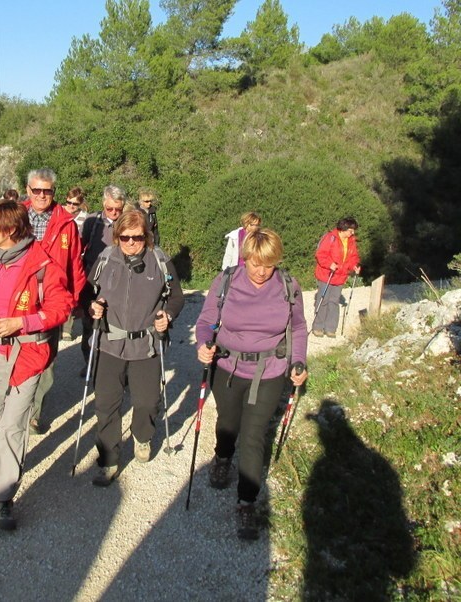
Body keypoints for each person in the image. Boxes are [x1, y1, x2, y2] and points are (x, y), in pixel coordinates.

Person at [0, 200, 73, 531]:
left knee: (13, 425)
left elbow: (61, 308)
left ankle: (5, 496)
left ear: (10, 230)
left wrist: (19, 324)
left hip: (27, 356)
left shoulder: (43, 265)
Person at [195, 228, 308, 540]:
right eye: (255, 263)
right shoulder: (226, 281)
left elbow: (298, 327)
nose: (261, 271)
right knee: (228, 422)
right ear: (245, 258)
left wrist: (298, 361)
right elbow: (205, 322)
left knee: (254, 436)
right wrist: (204, 344)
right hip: (228, 366)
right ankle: (222, 457)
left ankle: (247, 502)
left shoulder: (288, 285)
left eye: (268, 264)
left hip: (270, 370)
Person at [88, 210, 184, 487]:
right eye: (125, 237)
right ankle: (108, 459)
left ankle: (142, 435)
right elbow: (89, 291)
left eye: (137, 237)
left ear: (147, 236)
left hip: (146, 344)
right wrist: (92, 306)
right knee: (106, 403)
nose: (131, 243)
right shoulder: (106, 259)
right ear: (117, 237)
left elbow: (176, 298)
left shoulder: (160, 260)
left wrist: (167, 316)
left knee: (146, 402)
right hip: (111, 342)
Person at [23, 168, 86, 434]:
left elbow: (75, 265)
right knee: (15, 355)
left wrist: (71, 300)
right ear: (28, 190)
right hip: (18, 299)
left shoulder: (66, 224)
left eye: (46, 190)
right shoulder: (15, 217)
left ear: (53, 192)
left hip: (50, 301)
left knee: (46, 359)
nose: (41, 195)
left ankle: (34, 414)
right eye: (36, 190)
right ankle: (13, 406)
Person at [80, 186, 127, 368]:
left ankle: (115, 363)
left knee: (117, 323)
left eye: (118, 209)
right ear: (103, 204)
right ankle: (90, 362)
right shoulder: (92, 221)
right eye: (110, 209)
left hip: (120, 282)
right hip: (93, 279)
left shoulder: (127, 222)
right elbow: (79, 248)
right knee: (89, 322)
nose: (114, 213)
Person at [312, 217, 361, 338]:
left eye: (353, 230)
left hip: (340, 276)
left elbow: (353, 256)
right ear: (343, 228)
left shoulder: (351, 241)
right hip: (327, 274)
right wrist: (330, 264)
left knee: (334, 301)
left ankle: (330, 328)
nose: (352, 233)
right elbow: (320, 254)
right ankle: (318, 327)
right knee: (323, 300)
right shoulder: (330, 238)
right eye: (351, 230)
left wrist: (354, 266)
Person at [61, 186, 88, 340]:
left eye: (75, 204)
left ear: (80, 204)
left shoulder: (84, 218)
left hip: (76, 258)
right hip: (60, 257)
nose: (71, 206)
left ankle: (67, 327)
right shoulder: (58, 213)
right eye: (68, 202)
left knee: (72, 292)